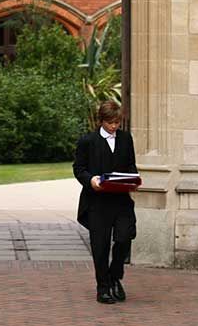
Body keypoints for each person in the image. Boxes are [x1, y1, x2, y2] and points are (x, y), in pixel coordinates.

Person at [73, 100, 138, 304]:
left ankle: (114, 277)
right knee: (100, 246)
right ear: (101, 121)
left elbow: (130, 165)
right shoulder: (87, 141)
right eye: (110, 122)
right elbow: (79, 168)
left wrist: (133, 180)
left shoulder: (126, 139)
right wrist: (91, 180)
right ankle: (103, 287)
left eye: (117, 122)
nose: (114, 126)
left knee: (124, 238)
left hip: (120, 201)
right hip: (97, 203)